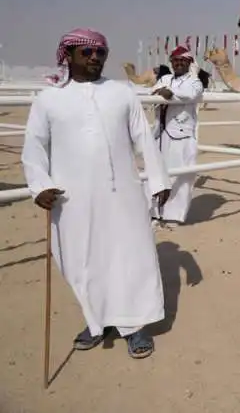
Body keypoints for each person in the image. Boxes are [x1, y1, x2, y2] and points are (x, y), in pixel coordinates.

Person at [21, 28, 171, 359]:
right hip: (72, 199)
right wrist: (40, 186)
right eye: (86, 52)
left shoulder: (122, 94)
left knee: (131, 256)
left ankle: (133, 326)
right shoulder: (48, 99)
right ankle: (96, 321)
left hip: (124, 196)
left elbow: (143, 138)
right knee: (82, 262)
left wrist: (159, 181)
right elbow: (34, 148)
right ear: (69, 55)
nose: (94, 58)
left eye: (100, 53)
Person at [150, 44, 204, 225]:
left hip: (181, 135)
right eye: (175, 60)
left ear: (189, 62)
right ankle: (155, 213)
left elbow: (190, 95)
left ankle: (174, 216)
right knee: (157, 173)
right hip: (161, 134)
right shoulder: (165, 78)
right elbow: (153, 92)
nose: (179, 63)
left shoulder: (194, 82)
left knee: (180, 176)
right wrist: (163, 92)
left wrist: (169, 94)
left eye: (183, 60)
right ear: (171, 63)